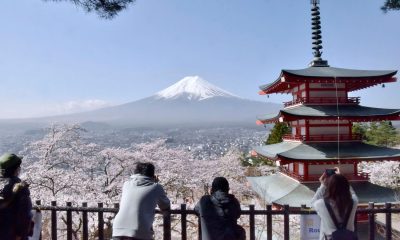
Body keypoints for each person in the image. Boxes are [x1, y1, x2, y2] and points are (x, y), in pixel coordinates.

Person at [112, 162, 170, 240]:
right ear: (153, 175)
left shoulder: (126, 184)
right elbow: (165, 205)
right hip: (139, 229)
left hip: (118, 228)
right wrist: (155, 183)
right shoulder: (156, 187)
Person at [311, 167, 358, 240]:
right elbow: (353, 193)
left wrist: (322, 185)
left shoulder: (321, 204)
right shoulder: (353, 202)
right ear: (346, 186)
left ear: (329, 187)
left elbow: (313, 202)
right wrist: (341, 178)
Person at [0, 153, 33, 240]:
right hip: (12, 235)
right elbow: (24, 214)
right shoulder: (20, 187)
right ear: (16, 170)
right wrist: (20, 234)